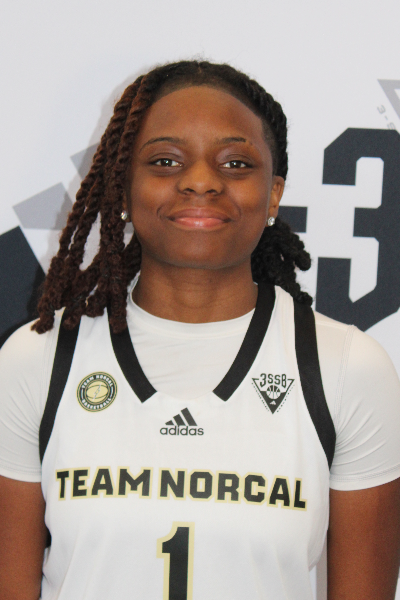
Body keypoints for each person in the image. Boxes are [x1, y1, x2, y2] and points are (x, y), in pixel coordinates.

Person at [0, 60, 400, 600]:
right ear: (123, 188)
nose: (201, 181)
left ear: (274, 193)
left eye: (235, 163)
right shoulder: (38, 359)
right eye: (165, 161)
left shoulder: (347, 368)